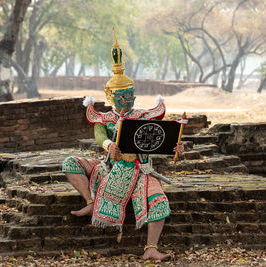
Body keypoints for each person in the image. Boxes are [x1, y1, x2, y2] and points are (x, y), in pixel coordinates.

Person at [61, 31, 183, 261]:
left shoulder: (143, 116)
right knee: (70, 163)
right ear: (111, 96)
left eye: (130, 94)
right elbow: (99, 136)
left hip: (141, 171)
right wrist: (108, 146)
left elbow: (159, 140)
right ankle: (89, 201)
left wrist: (176, 148)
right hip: (110, 167)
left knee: (159, 202)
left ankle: (151, 249)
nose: (127, 99)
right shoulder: (104, 118)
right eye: (122, 96)